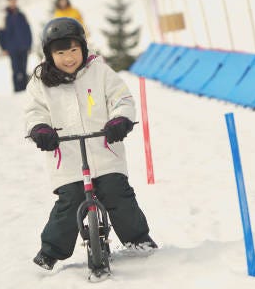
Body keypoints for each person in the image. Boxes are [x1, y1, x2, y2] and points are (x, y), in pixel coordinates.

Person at [24, 17, 156, 271]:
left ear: (83, 48)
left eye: (74, 50)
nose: (69, 57)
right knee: (69, 202)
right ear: (49, 55)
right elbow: (34, 112)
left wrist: (120, 120)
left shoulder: (100, 72)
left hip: (104, 150)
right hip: (67, 156)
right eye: (61, 52)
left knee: (117, 193)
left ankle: (138, 239)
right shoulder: (41, 82)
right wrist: (40, 129)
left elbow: (121, 98)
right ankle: (51, 250)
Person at [0, 0, 33, 92]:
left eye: (14, 0)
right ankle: (17, 90)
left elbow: (28, 31)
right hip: (12, 48)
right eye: (11, 0)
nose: (13, 2)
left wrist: (29, 45)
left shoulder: (22, 15)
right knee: (16, 70)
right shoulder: (3, 16)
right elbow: (0, 34)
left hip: (23, 47)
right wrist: (3, 48)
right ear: (8, 1)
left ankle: (26, 88)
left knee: (24, 68)